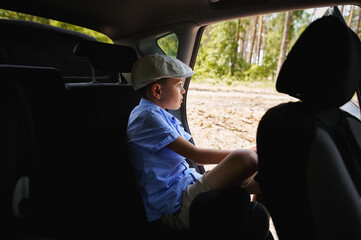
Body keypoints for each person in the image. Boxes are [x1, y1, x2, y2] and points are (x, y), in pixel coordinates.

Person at [127, 54, 260, 230]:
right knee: (246, 159)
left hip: (184, 187)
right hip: (174, 206)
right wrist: (252, 152)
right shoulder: (146, 116)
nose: (183, 91)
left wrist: (253, 150)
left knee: (266, 182)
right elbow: (196, 156)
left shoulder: (158, 114)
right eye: (179, 85)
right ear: (157, 91)